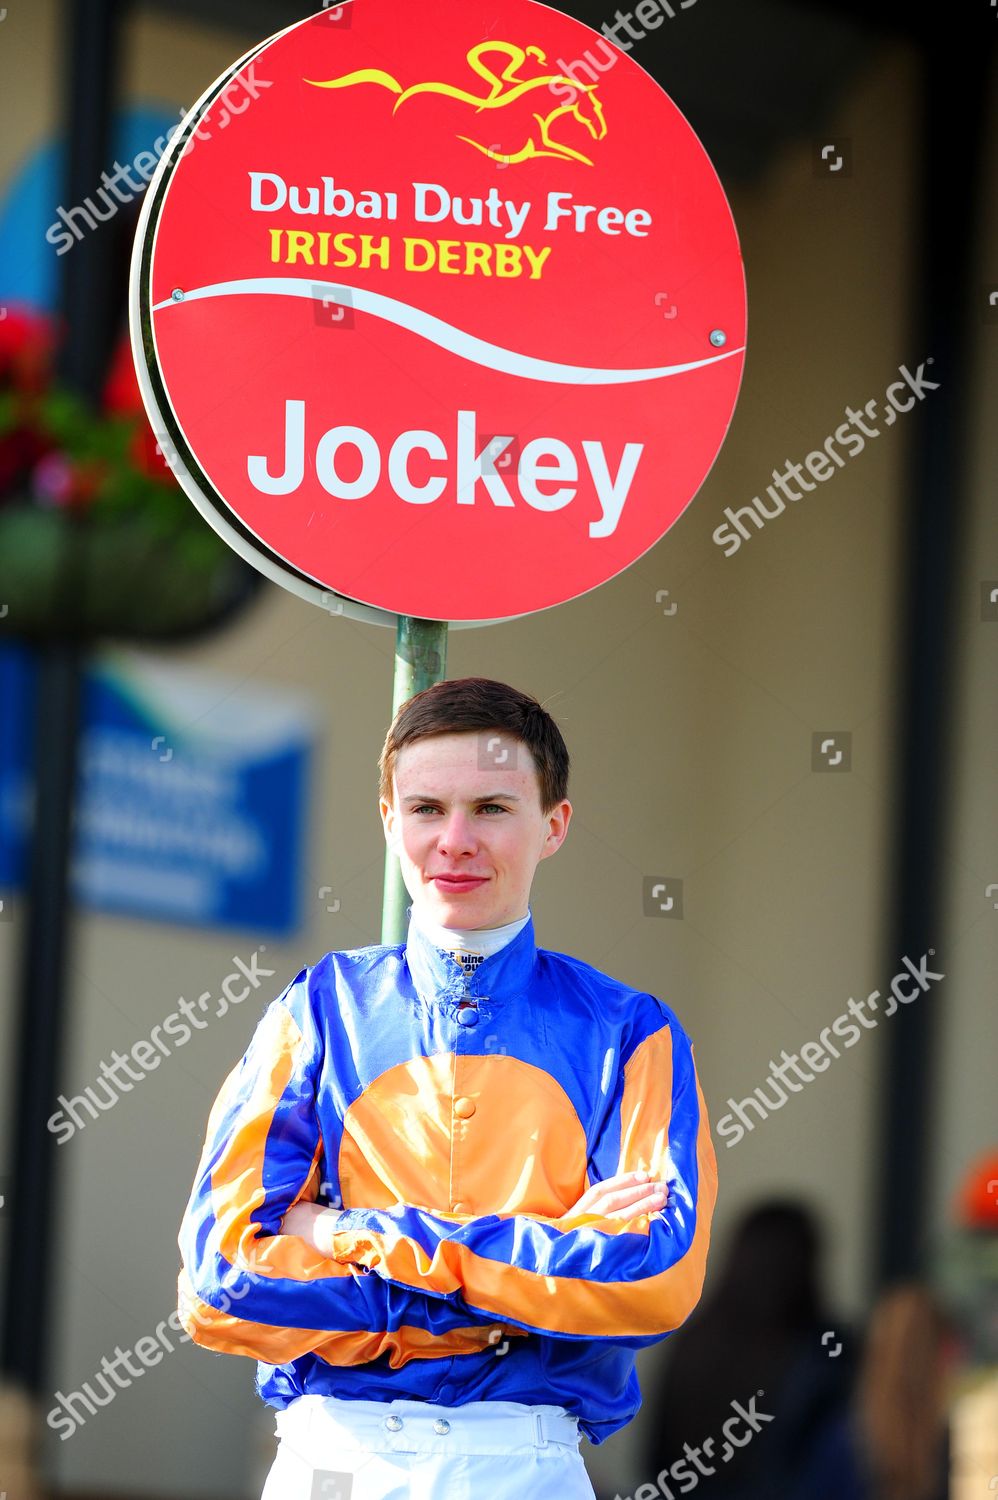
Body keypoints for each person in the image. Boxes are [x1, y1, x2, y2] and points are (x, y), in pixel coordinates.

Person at [176, 676, 719, 1499]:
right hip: (336, 1462)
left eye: (493, 809)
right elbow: (220, 1283)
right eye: (427, 809)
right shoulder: (317, 1012)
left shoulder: (629, 1031)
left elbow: (650, 1279)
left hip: (526, 1465)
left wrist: (345, 1232)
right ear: (390, 822)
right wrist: (523, 1289)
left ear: (554, 825)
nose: (455, 841)